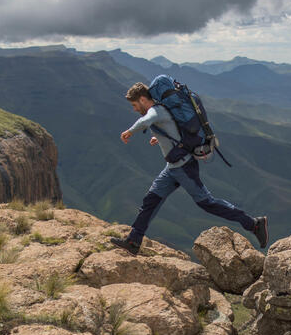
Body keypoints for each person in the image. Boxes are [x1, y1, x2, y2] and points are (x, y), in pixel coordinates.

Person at [109, 82, 269, 255]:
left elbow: (145, 120)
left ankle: (253, 223)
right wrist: (160, 137)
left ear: (142, 99)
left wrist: (130, 131)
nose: (134, 109)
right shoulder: (161, 111)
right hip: (172, 168)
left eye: (134, 105)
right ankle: (133, 241)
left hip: (184, 167)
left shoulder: (156, 111)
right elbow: (171, 127)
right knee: (151, 201)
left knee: (207, 203)